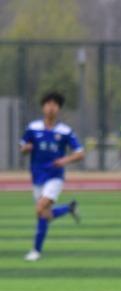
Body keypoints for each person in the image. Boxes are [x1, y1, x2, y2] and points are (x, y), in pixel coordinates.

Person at [20, 91, 84, 262]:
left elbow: (80, 153)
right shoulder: (33, 128)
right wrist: (26, 149)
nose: (51, 107)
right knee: (44, 214)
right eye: (48, 104)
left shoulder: (65, 131)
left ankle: (36, 251)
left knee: (40, 208)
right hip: (37, 176)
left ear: (59, 109)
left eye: (55, 105)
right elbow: (22, 146)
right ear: (43, 107)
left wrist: (64, 160)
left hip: (55, 177)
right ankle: (69, 208)